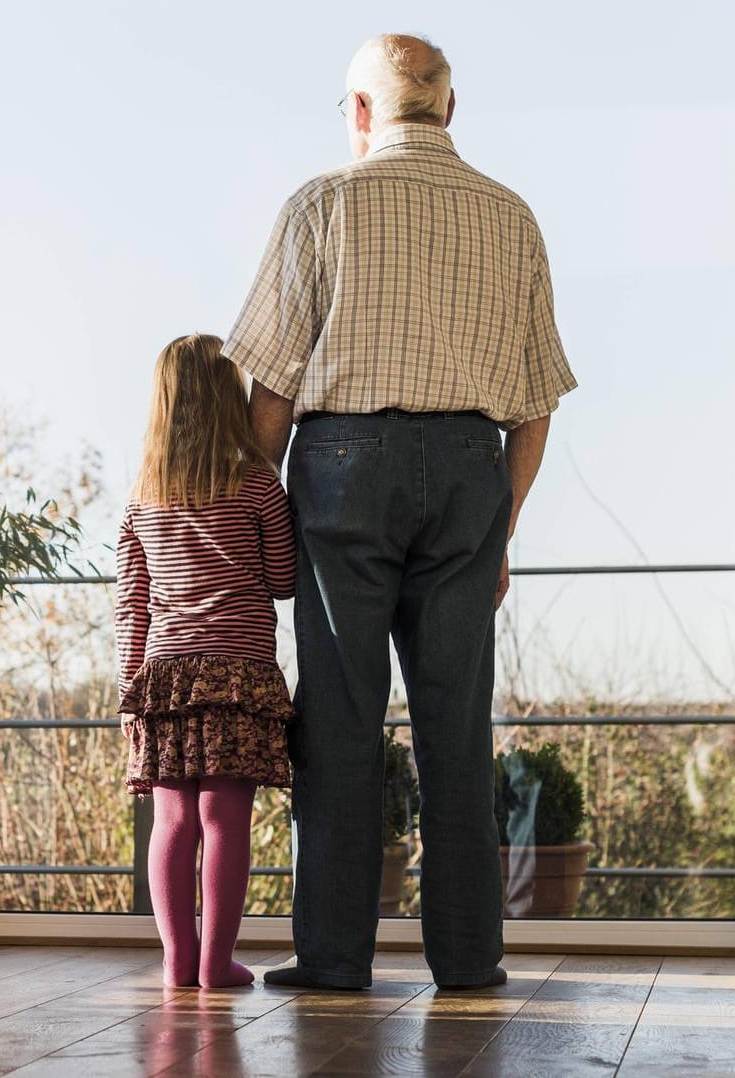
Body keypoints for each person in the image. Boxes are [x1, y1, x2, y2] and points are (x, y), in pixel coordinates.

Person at [226, 34, 578, 991]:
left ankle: (335, 958)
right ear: (449, 112)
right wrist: (501, 524)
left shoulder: (320, 206)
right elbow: (537, 404)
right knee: (455, 723)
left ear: (360, 112)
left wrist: (259, 513)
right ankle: (469, 958)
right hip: (472, 463)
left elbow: (270, 393)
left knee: (338, 716)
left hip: (343, 465)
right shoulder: (512, 217)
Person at [116, 333, 298, 989]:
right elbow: (284, 578)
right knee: (225, 821)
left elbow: (131, 606)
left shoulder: (142, 497)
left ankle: (177, 962)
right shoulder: (257, 485)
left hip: (163, 679)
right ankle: (216, 963)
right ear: (232, 399)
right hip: (237, 673)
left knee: (171, 821)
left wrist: (126, 693)